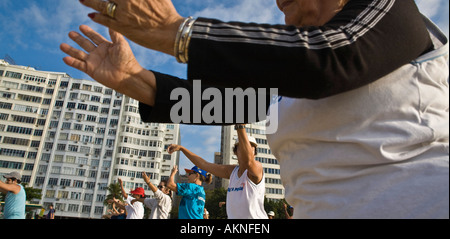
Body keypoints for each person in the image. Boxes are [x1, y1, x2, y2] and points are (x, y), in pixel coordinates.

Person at [63, 0, 449, 218]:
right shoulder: (287, 83)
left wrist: (177, 33)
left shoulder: (394, 12)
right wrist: (135, 80)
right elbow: (225, 105)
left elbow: (333, 55)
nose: (278, 1)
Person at [167, 124, 268, 219]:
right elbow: (204, 165)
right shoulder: (232, 171)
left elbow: (249, 161)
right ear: (236, 152)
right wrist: (182, 148)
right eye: (244, 146)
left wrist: (240, 126)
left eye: (252, 148)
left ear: (255, 153)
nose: (248, 150)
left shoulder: (257, 168)